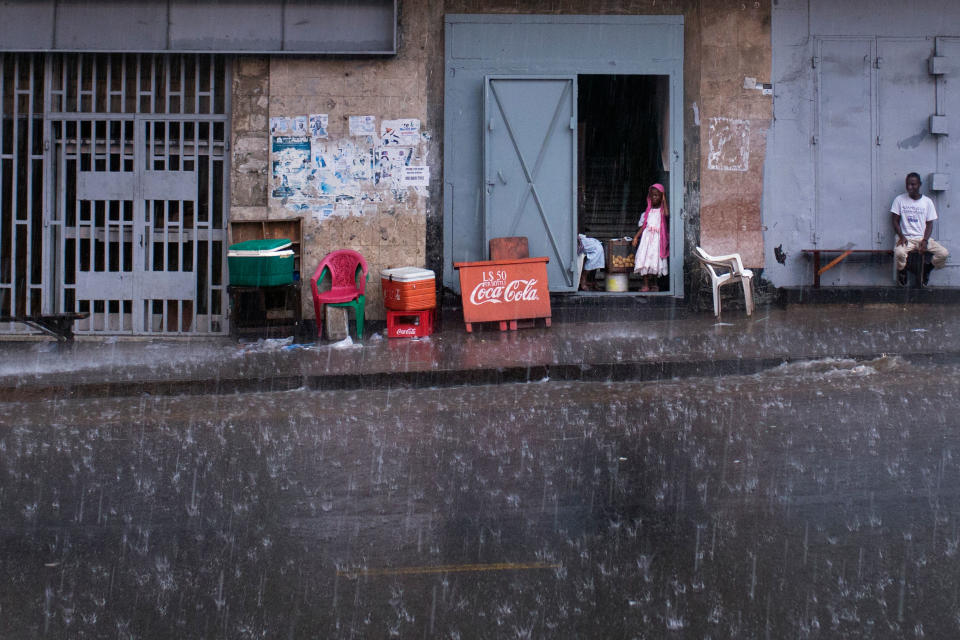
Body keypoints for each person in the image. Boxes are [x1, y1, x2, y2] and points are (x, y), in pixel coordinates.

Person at [891, 172, 949, 286]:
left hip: (922, 238)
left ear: (919, 185)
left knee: (943, 253)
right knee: (899, 253)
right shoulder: (899, 199)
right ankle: (902, 271)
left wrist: (925, 240)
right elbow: (894, 221)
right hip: (906, 238)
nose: (910, 187)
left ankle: (927, 269)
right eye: (908, 184)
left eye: (913, 184)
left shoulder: (927, 202)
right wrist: (901, 236)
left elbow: (929, 224)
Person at [631, 183, 669, 292]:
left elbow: (667, 214)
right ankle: (646, 285)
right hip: (646, 240)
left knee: (655, 261)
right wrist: (636, 237)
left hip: (657, 240)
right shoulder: (647, 211)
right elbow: (643, 226)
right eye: (653, 195)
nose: (654, 197)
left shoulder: (662, 211)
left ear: (661, 196)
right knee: (644, 260)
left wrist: (664, 199)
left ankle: (654, 284)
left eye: (657, 195)